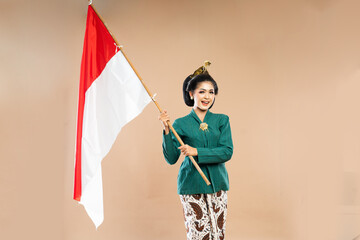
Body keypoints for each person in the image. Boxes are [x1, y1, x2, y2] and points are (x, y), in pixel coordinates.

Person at [159, 62, 233, 240]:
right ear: (191, 94)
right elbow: (171, 158)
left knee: (218, 234)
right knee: (199, 235)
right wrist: (167, 130)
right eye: (202, 91)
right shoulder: (180, 124)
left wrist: (196, 152)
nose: (207, 96)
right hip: (191, 186)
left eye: (211, 92)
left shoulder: (222, 120)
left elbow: (226, 152)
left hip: (218, 186)